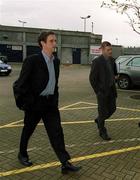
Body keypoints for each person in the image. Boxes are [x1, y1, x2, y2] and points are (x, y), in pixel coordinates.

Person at [13, 31, 81, 174]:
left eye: (55, 41)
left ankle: (65, 163)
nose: (54, 44)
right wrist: (26, 103)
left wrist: (55, 100)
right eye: (51, 41)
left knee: (57, 133)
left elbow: (54, 84)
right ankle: (22, 154)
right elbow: (20, 84)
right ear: (42, 43)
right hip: (34, 104)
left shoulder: (55, 61)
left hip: (50, 104)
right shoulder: (32, 60)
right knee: (28, 130)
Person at [89, 41, 117, 141]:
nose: (110, 52)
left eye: (111, 50)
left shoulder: (112, 60)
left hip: (111, 91)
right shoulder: (97, 62)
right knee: (102, 112)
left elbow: (114, 73)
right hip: (102, 92)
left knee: (112, 109)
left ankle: (99, 120)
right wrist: (98, 91)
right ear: (102, 49)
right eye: (108, 50)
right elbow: (92, 79)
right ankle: (102, 131)